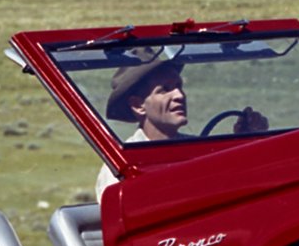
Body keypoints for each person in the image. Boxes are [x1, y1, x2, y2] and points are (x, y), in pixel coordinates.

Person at [93, 50, 266, 199]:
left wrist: (248, 141)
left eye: (178, 86)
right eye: (164, 90)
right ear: (138, 106)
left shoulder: (196, 150)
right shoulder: (122, 165)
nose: (179, 95)